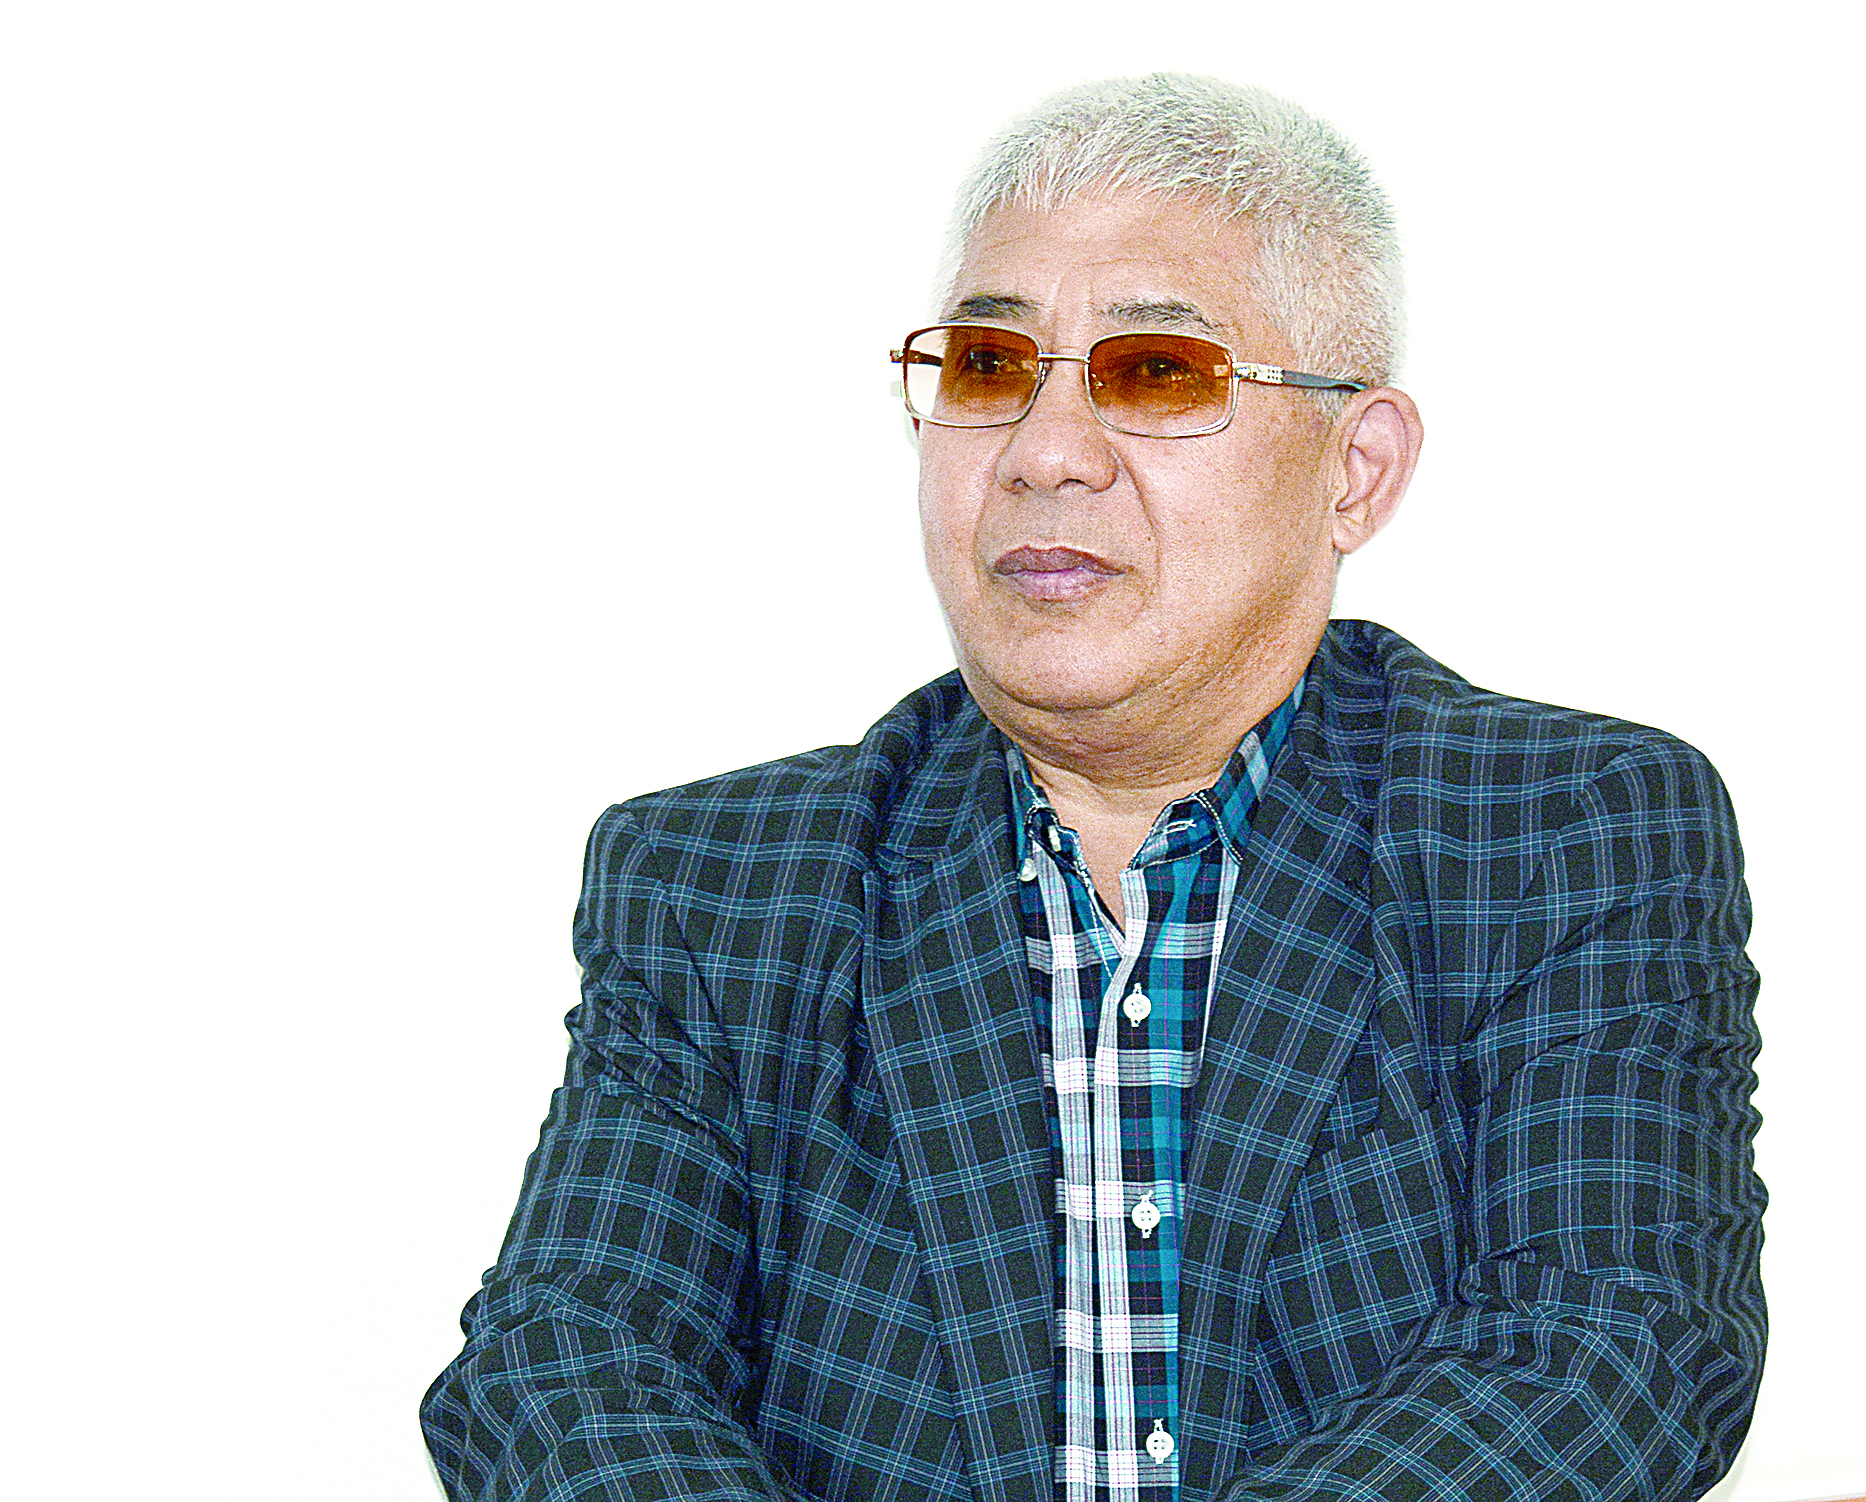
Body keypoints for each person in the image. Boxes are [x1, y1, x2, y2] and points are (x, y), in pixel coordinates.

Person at [420, 74, 1765, 1502]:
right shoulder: (724, 885)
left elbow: (1609, 1348)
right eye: (988, 365)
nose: (1044, 453)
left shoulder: (1566, 834)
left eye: (1156, 372)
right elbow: (564, 1367)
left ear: (1355, 472)